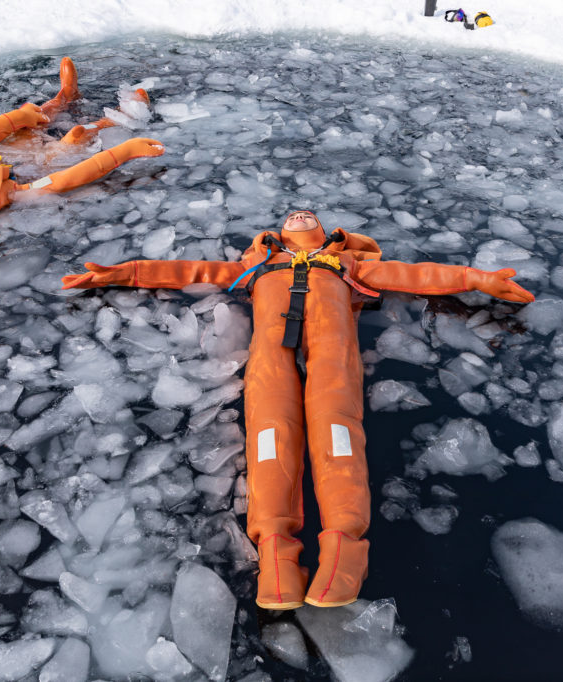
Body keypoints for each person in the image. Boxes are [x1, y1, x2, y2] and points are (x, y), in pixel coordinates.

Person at [62, 211, 535, 609]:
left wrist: (479, 279)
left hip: (332, 350)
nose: (300, 214)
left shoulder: (345, 261)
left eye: (309, 214)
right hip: (272, 353)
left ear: (324, 231)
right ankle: (275, 557)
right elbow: (191, 270)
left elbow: (416, 275)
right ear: (281, 233)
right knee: (270, 435)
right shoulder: (258, 262)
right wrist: (121, 272)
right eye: (293, 215)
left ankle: (344, 550)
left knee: (336, 430)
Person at [0, 58, 164, 211]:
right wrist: (123, 152)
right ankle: (118, 118)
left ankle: (63, 97)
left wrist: (17, 118)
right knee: (63, 148)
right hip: (30, 172)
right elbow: (56, 181)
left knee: (25, 126)